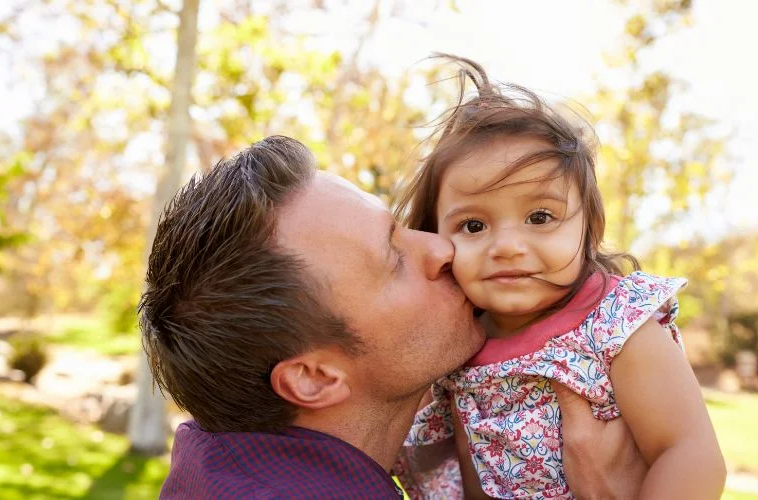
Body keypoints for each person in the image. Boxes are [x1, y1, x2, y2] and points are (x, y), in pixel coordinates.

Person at [142, 135, 649, 499]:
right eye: (395, 259)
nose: (442, 248)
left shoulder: (217, 465)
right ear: (315, 378)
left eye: (401, 227)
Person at [394, 55, 726, 499]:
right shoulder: (456, 350)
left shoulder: (614, 326)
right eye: (473, 226)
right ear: (435, 238)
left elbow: (690, 453)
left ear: (589, 227)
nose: (507, 246)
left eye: (540, 216)